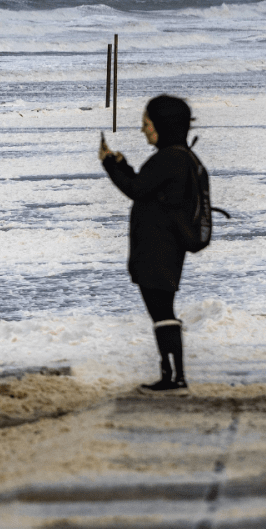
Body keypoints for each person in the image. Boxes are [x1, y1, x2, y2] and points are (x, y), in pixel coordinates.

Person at [99, 95, 196, 392]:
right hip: (164, 246)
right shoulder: (177, 156)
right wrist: (121, 164)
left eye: (146, 124)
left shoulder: (170, 158)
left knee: (161, 310)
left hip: (159, 248)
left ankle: (173, 377)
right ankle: (172, 374)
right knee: (161, 308)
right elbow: (145, 188)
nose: (143, 131)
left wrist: (110, 165)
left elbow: (137, 188)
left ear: (163, 126)